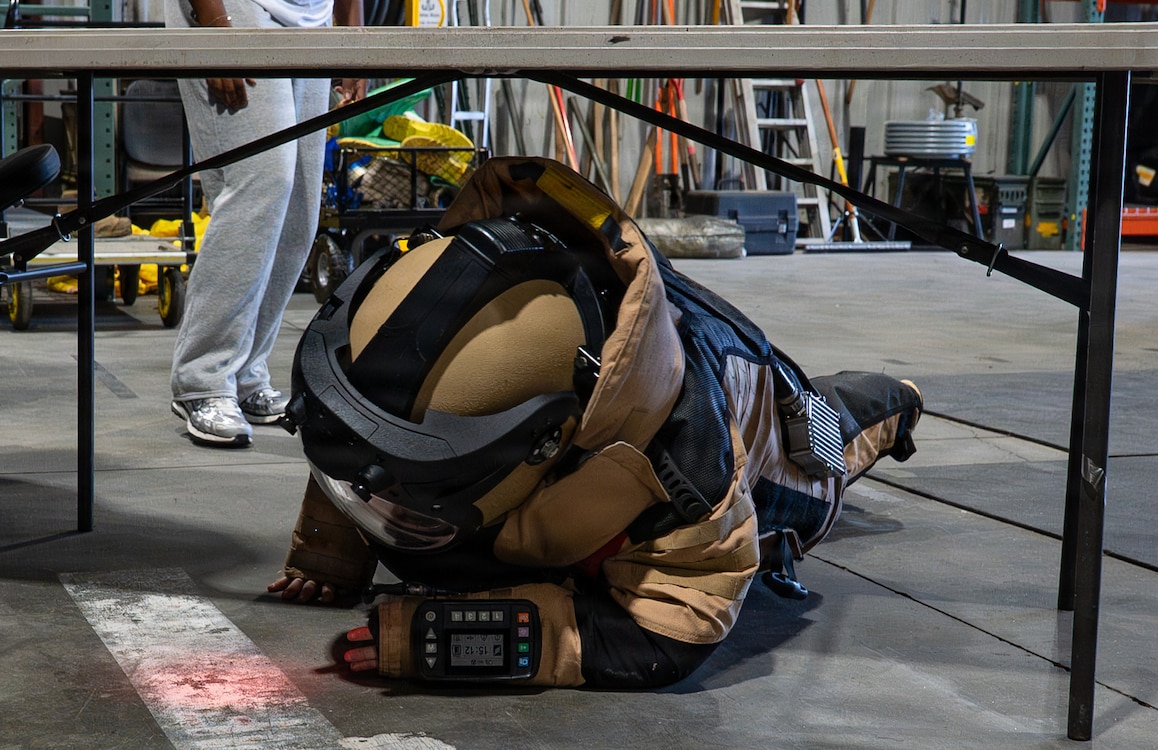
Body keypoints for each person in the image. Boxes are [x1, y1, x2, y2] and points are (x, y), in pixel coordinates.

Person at [268, 157, 924, 688]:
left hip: (761, 411)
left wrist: (449, 641)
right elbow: (362, 435)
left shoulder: (691, 468)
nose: (379, 505)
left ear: (547, 444)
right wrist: (328, 552)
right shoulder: (438, 313)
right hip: (640, 344)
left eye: (409, 506)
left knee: (837, 433)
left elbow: (670, 631)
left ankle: (902, 399)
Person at [165, 0, 364, 447]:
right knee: (262, 183)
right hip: (233, 10)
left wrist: (351, 38)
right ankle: (202, 378)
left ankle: (245, 371)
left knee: (298, 206)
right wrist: (217, 28)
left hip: (312, 19)